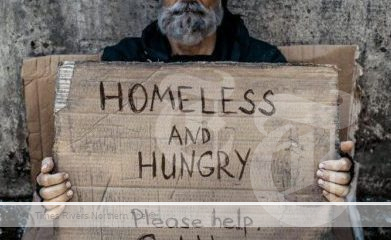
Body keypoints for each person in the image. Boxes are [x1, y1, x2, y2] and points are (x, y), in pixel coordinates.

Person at [35, 0, 355, 217]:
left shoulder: (266, 65)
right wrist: (54, 187)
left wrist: (334, 174)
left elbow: (297, 157)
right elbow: (85, 162)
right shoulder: (118, 64)